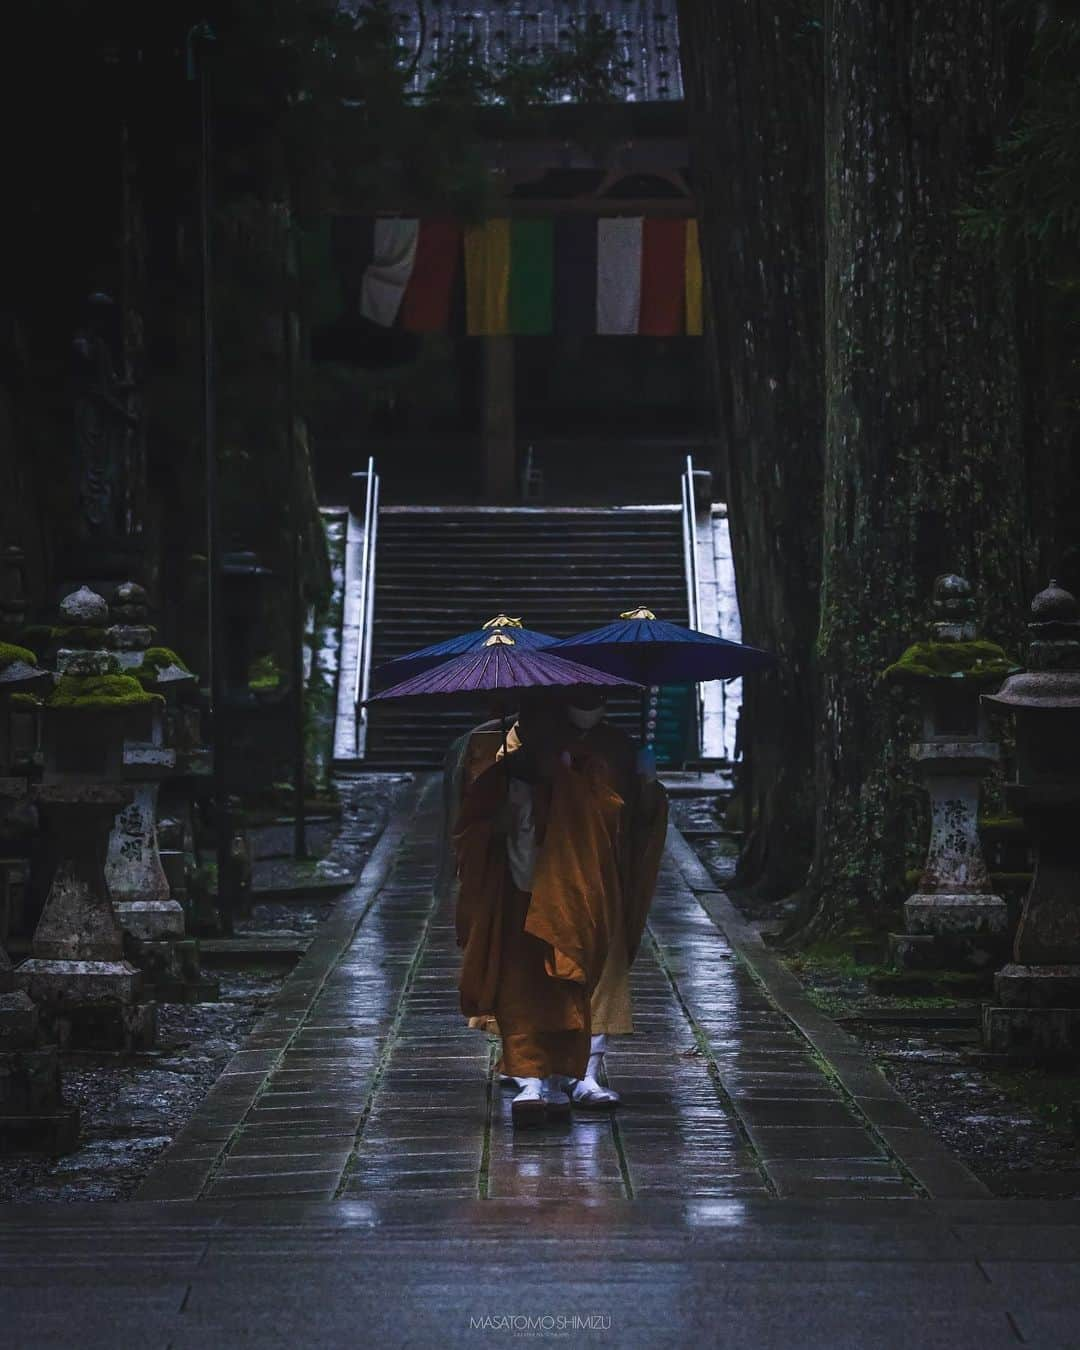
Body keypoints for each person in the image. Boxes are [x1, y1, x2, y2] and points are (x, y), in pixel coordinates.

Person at [453, 691, 668, 1126]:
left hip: (580, 889)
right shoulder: (495, 757)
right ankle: (529, 1076)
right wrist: (498, 818)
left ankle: (579, 1073)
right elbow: (470, 828)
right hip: (516, 890)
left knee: (586, 977)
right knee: (521, 982)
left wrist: (644, 787)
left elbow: (618, 822)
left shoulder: (593, 764)